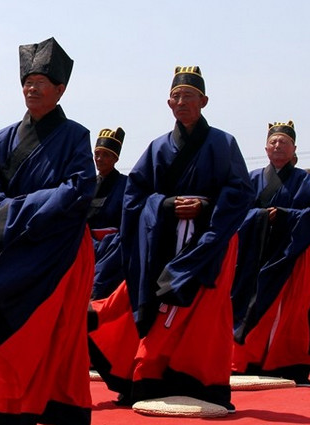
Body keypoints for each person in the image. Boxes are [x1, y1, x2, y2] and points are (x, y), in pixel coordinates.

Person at [0, 37, 95, 425]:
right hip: (6, 251)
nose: (32, 87)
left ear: (60, 89)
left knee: (51, 335)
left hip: (56, 250)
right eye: (27, 81)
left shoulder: (76, 135)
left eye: (41, 81)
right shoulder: (1, 139)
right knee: (1, 337)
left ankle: (49, 404)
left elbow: (79, 190)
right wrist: (10, 215)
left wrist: (14, 209)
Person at [88, 66, 253, 413]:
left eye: (189, 97)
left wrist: (205, 206)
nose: (182, 102)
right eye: (176, 97)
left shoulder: (224, 143)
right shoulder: (159, 147)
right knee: (161, 308)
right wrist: (164, 205)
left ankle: (202, 381)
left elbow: (240, 191)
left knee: (207, 317)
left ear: (204, 101)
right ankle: (149, 376)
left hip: (210, 242)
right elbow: (136, 195)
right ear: (168, 102)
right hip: (163, 241)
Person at [230, 121, 310, 385]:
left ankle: (289, 364)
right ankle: (247, 360)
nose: (277, 146)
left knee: (290, 312)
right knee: (248, 304)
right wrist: (261, 217)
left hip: (291, 254)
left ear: (294, 149)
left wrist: (285, 216)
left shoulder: (304, 180)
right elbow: (237, 212)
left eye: (283, 142)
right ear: (265, 148)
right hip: (256, 253)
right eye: (273, 142)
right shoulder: (252, 178)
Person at [89, 128, 128, 300]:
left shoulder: (126, 185)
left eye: (105, 155)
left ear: (115, 158)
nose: (99, 159)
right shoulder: (87, 185)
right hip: (87, 247)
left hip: (114, 249)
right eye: (97, 154)